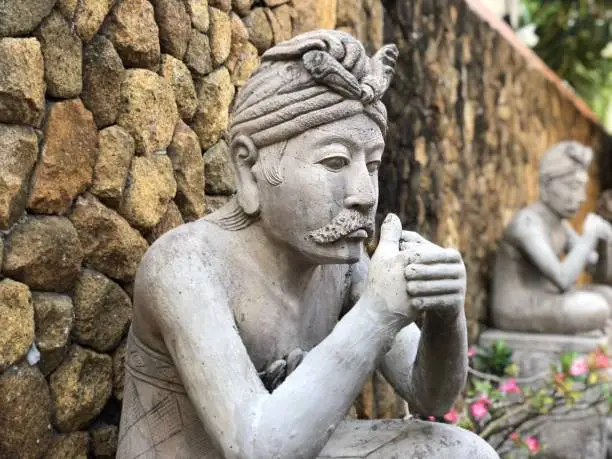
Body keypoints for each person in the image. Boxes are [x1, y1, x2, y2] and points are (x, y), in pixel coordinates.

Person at [118, 30, 497, 459]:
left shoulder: (342, 267)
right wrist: (376, 314)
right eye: (334, 162)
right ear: (248, 166)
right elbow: (257, 447)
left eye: (371, 165)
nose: (365, 194)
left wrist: (446, 315)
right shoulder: (184, 266)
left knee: (463, 453)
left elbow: (430, 397)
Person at [491, 141, 612, 335]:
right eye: (573, 187)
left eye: (582, 188)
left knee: (608, 296)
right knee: (596, 306)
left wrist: (604, 245)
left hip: (547, 298)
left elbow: (598, 274)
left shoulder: (560, 225)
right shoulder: (527, 224)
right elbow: (563, 279)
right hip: (517, 308)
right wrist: (589, 236)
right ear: (546, 185)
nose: (581, 197)